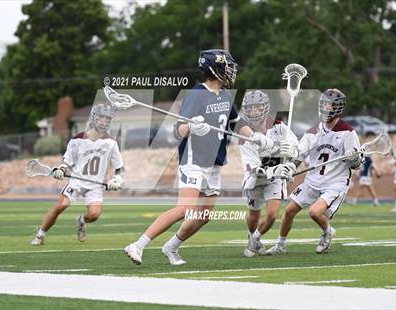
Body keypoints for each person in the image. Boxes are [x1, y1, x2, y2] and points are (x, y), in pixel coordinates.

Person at [124, 49, 286, 265]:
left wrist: (256, 137)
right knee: (185, 209)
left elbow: (236, 123)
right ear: (215, 68)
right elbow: (176, 130)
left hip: (214, 163)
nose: (230, 70)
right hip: (194, 160)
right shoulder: (196, 94)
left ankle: (171, 247)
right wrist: (190, 126)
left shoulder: (226, 95)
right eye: (227, 65)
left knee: (204, 215)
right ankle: (138, 244)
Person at [266, 88, 362, 255]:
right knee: (289, 211)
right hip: (313, 180)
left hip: (335, 182)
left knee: (315, 212)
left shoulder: (348, 132)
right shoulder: (314, 129)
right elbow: (301, 153)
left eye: (329, 105)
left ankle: (328, 232)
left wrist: (353, 157)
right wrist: (290, 167)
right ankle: (280, 245)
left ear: (337, 108)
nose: (325, 108)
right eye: (323, 104)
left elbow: (356, 165)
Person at [31, 104, 124, 245]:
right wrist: (61, 170)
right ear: (93, 118)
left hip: (95, 185)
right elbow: (67, 161)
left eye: (107, 119)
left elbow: (119, 167)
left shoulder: (111, 142)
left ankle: (81, 221)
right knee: (60, 207)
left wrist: (117, 179)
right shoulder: (78, 140)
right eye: (101, 118)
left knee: (94, 215)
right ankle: (40, 234)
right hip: (77, 182)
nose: (104, 121)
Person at [238, 90, 298, 257]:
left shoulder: (279, 127)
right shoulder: (244, 134)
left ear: (265, 108)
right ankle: (251, 234)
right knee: (254, 215)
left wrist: (291, 159)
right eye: (250, 108)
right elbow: (253, 169)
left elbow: (298, 150)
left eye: (257, 107)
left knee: (272, 215)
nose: (253, 111)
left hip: (275, 180)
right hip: (255, 179)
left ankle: (254, 240)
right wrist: (274, 170)